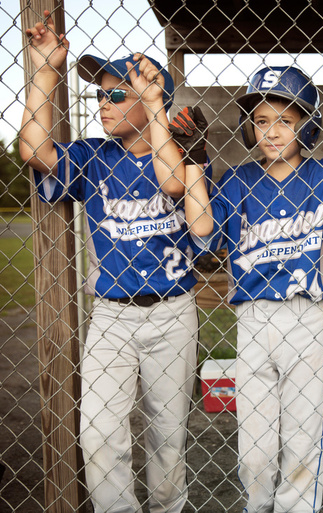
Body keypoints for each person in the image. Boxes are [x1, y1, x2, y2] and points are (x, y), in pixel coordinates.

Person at [173, 51, 323, 512]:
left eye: (284, 119)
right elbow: (201, 230)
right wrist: (195, 160)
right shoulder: (237, 180)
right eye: (260, 120)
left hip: (305, 319)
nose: (271, 131)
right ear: (248, 127)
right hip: (253, 322)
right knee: (255, 454)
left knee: (301, 445)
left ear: (307, 124)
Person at [21, 12, 198, 513]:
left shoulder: (183, 156)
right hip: (113, 315)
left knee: (167, 439)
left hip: (172, 311)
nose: (103, 103)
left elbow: (178, 185)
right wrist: (44, 72)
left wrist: (158, 106)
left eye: (117, 93)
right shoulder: (96, 157)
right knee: (98, 433)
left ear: (149, 97)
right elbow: (33, 149)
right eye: (100, 94)